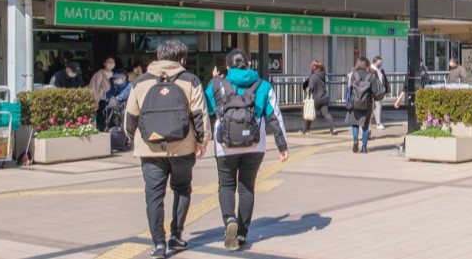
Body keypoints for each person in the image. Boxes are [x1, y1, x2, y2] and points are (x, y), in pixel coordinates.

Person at [125, 39, 207, 259]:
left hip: (150, 150)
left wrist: (134, 138)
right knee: (182, 189)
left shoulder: (141, 82)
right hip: (182, 148)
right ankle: (176, 236)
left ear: (159, 57)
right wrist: (202, 142)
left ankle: (158, 244)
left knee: (154, 196)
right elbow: (200, 116)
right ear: (181, 59)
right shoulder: (190, 80)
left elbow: (130, 118)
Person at [205, 49, 289, 252]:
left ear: (227, 66)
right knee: (247, 187)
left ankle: (230, 220)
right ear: (249, 64)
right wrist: (282, 145)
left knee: (226, 185)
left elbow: (206, 110)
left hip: (225, 145)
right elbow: (274, 116)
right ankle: (242, 233)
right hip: (254, 145)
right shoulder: (264, 85)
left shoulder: (216, 84)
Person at [345, 57, 385, 153]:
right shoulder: (371, 76)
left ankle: (355, 141)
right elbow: (375, 91)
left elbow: (349, 89)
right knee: (365, 126)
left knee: (355, 124)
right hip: (367, 104)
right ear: (367, 65)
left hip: (354, 104)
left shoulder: (353, 75)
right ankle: (364, 147)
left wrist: (348, 102)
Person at [301, 61, 335, 135]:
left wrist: (308, 92)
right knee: (326, 114)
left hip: (315, 98)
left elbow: (311, 88)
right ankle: (332, 128)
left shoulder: (312, 76)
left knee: (309, 113)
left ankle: (306, 130)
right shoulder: (323, 75)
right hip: (323, 97)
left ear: (313, 67)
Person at [89, 57, 117, 124]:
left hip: (114, 100)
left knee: (112, 119)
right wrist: (95, 100)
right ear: (104, 63)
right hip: (102, 100)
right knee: (102, 119)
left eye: (113, 62)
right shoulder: (99, 74)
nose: (111, 64)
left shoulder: (115, 75)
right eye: (109, 62)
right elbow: (93, 88)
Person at [370, 57, 389, 129]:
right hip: (375, 91)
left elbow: (384, 80)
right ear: (375, 62)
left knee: (377, 107)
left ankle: (374, 122)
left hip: (380, 91)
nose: (381, 64)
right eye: (379, 63)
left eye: (381, 63)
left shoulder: (380, 70)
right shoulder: (372, 70)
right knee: (377, 107)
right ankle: (378, 123)